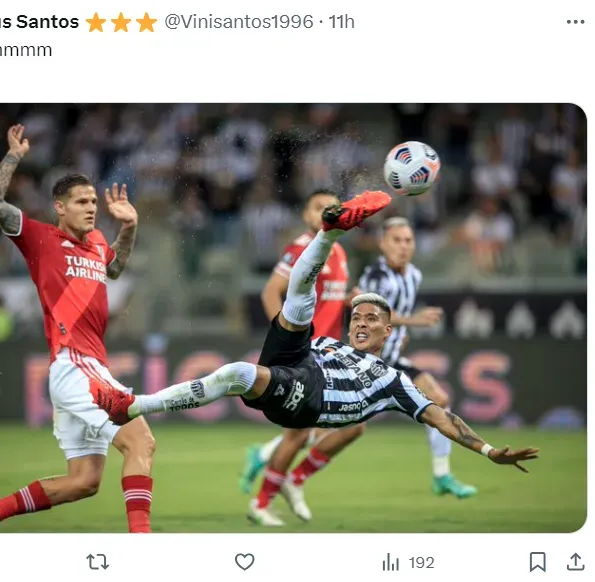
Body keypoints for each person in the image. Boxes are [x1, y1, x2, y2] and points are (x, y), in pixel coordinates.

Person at [106, 191, 539, 490]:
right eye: (358, 317)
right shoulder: (335, 345)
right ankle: (329, 232)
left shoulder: (393, 381)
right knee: (301, 304)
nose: (361, 323)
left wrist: (487, 451)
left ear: (388, 331)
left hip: (311, 398)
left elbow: (442, 417)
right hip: (301, 361)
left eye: (372, 319)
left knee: (238, 373)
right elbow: (299, 319)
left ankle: (136, 405)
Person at [0, 125, 157, 534]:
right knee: (141, 441)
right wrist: (14, 155)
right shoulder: (40, 238)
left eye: (94, 201)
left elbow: (115, 269)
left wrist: (128, 228)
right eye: (81, 202)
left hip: (87, 367)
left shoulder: (98, 242)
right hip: (74, 365)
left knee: (84, 482)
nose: (91, 208)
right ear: (59, 208)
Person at [239, 188, 366, 526]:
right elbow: (271, 291)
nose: (325, 211)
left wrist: (349, 301)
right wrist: (285, 337)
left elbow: (326, 299)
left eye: (331, 207)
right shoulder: (301, 248)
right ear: (306, 215)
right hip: (305, 354)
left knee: (353, 424)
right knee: (300, 432)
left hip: (328, 352)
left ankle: (286, 476)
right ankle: (263, 501)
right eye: (317, 207)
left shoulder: (338, 250)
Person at [354, 217, 477, 498]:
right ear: (382, 244)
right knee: (331, 428)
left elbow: (393, 316)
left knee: (439, 400)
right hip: (363, 365)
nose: (403, 246)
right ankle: (268, 455)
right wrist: (413, 321)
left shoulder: (414, 276)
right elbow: (371, 315)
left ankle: (442, 476)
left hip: (392, 361)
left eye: (408, 240)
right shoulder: (376, 275)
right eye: (396, 240)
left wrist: (401, 335)